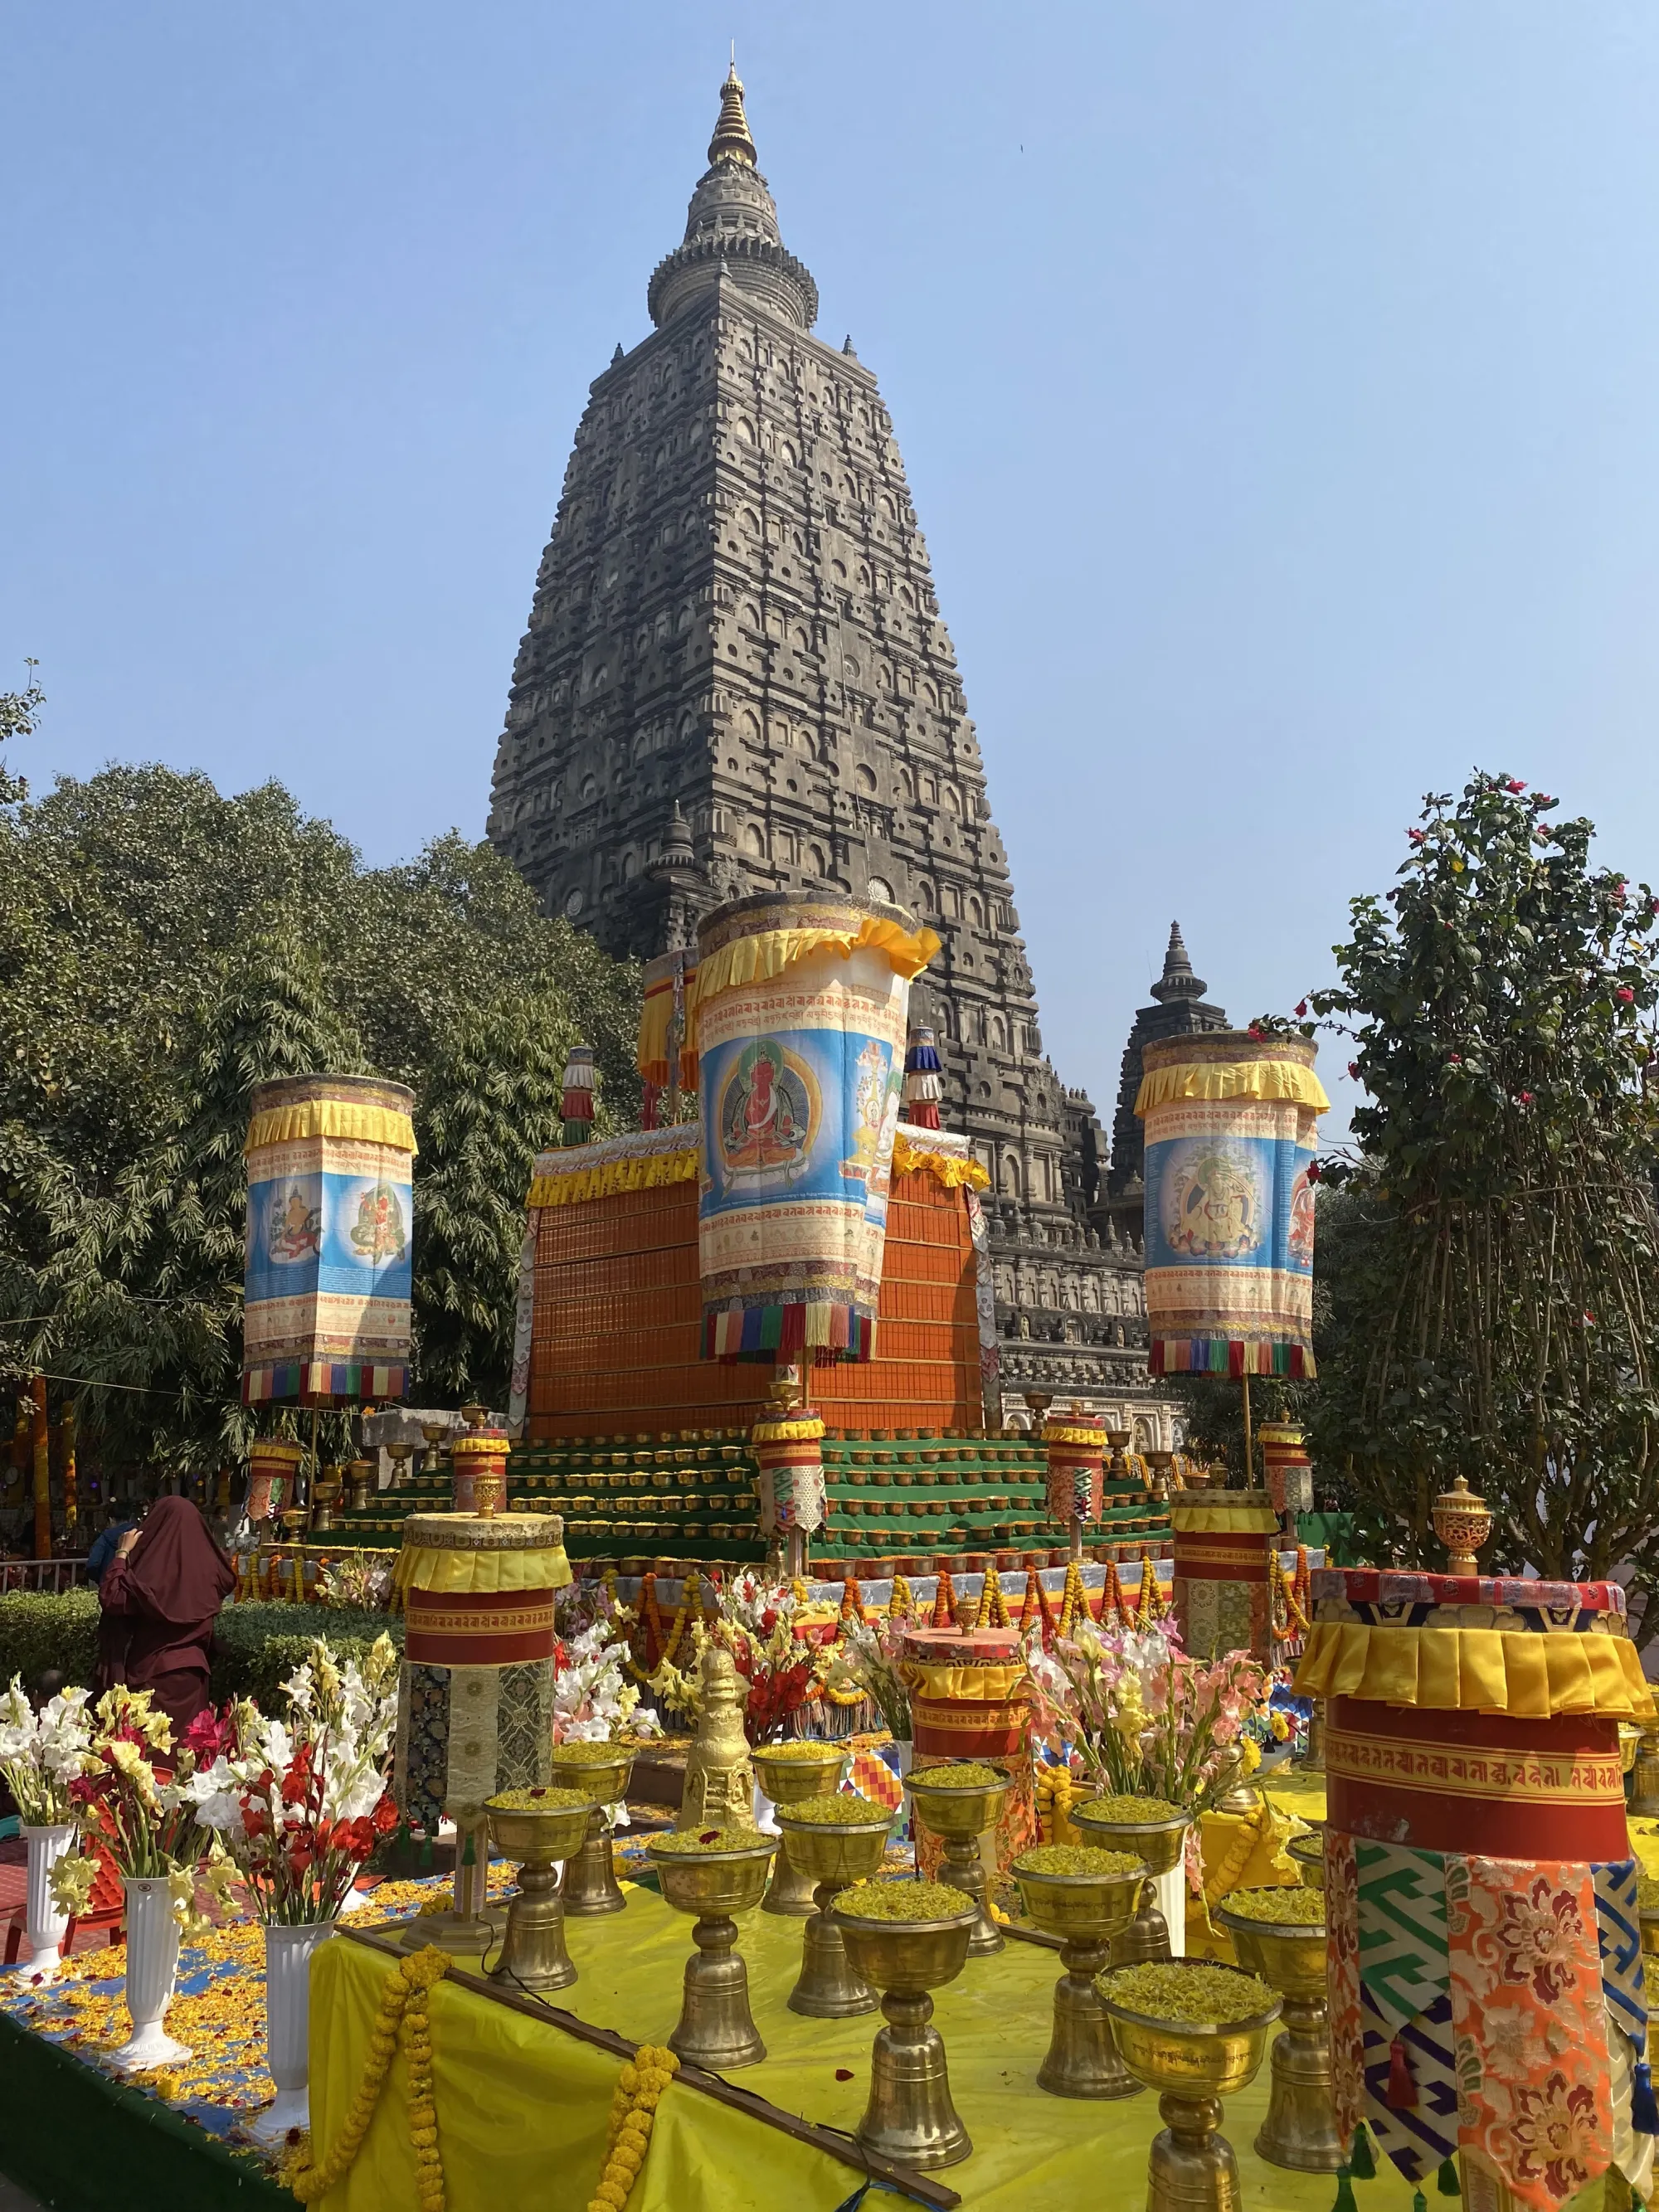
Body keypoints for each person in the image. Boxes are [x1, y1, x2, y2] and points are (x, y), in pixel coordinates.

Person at [95, 1494, 236, 1738]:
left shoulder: (150, 1571)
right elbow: (227, 1579)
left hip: (151, 1674)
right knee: (187, 1750)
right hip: (193, 1675)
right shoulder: (210, 1568)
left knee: (149, 1754)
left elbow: (111, 1598)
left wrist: (122, 1553)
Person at [85, 1501, 140, 1586]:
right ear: (130, 1518)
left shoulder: (104, 1538)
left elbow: (92, 1565)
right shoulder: (139, 1535)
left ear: (111, 1520)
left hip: (110, 1585)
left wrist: (102, 1578)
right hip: (134, 1585)